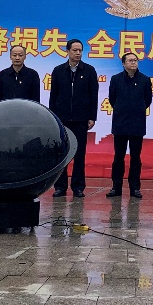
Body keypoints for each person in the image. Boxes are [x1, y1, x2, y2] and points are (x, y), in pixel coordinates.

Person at [48, 38, 99, 198]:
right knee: (61, 153)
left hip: (81, 119)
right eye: (75, 50)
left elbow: (94, 95)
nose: (78, 53)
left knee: (79, 154)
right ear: (67, 51)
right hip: (61, 118)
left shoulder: (89, 70)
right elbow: (53, 95)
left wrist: (92, 117)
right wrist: (52, 116)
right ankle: (60, 186)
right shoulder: (58, 70)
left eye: (80, 50)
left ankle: (78, 187)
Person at [107, 52, 151, 199]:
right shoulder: (116, 79)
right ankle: (116, 187)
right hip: (120, 124)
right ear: (123, 64)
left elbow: (147, 100)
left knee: (135, 158)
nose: (133, 63)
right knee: (118, 157)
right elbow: (112, 99)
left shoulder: (144, 80)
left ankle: (135, 188)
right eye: (130, 60)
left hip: (137, 124)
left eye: (135, 60)